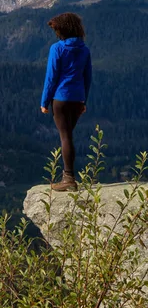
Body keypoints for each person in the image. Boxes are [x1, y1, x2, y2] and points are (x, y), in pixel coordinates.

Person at [41, 12, 92, 192]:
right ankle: (68, 176)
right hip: (77, 98)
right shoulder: (84, 49)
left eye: (57, 30)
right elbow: (87, 78)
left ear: (63, 30)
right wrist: (83, 100)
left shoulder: (57, 48)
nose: (56, 34)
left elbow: (51, 77)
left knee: (65, 137)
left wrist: (44, 101)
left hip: (61, 98)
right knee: (68, 136)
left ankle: (68, 178)